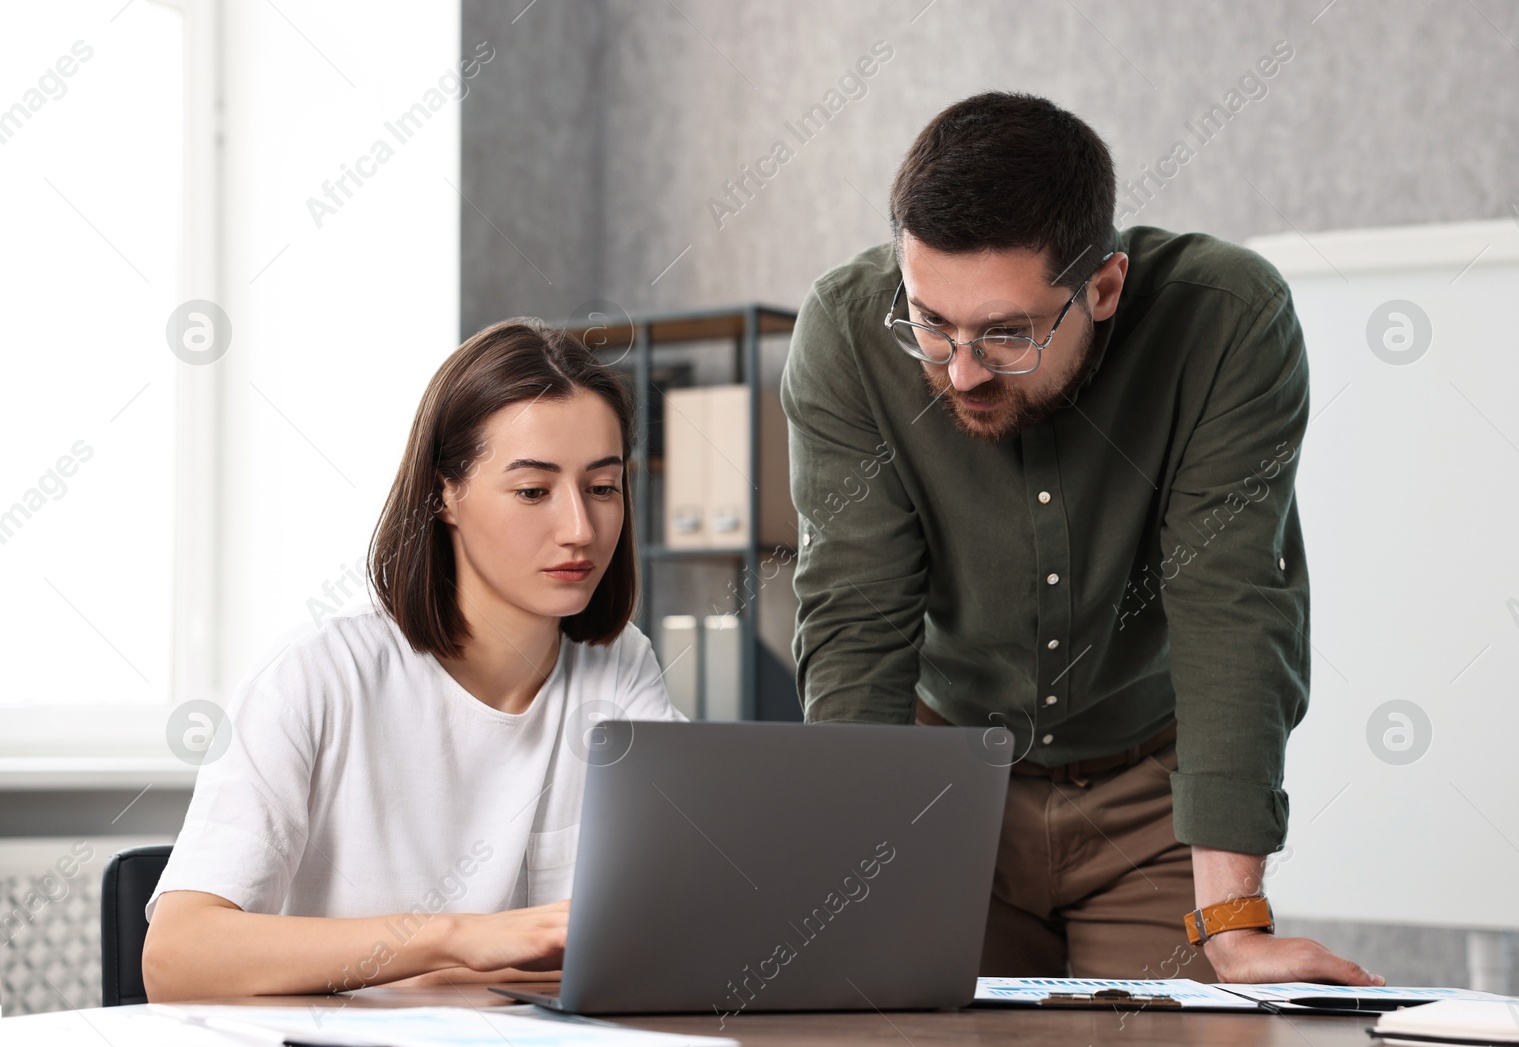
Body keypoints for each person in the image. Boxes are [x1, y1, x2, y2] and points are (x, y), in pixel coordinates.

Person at [780, 92, 1382, 985]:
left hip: (1146, 802)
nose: (960, 369)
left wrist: (1232, 920)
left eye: (1006, 334)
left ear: (1103, 287)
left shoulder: (1228, 320)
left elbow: (1231, 603)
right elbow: (857, 620)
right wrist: (853, 892)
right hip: (940, 785)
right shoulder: (844, 332)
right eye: (931, 323)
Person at [143, 318, 683, 1000]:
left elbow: (668, 922)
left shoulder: (622, 664)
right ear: (443, 494)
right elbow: (177, 957)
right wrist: (452, 937)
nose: (580, 528)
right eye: (533, 491)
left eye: (602, 487)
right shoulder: (318, 673)